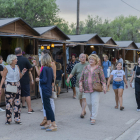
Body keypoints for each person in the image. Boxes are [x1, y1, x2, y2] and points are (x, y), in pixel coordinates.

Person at [79, 54, 106, 125]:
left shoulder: (99, 68)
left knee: (95, 103)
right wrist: (81, 86)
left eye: (92, 59)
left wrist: (104, 86)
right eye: (90, 59)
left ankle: (93, 117)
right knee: (89, 103)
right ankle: (92, 113)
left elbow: (103, 79)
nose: (91, 60)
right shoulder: (85, 68)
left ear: (96, 61)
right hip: (87, 88)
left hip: (96, 88)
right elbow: (81, 79)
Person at [0, 55, 27, 124]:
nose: (17, 60)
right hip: (9, 85)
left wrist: (23, 72)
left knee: (17, 102)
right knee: (9, 103)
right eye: (15, 59)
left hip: (17, 85)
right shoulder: (6, 68)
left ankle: (17, 119)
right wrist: (0, 87)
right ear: (11, 60)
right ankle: (8, 120)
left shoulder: (17, 67)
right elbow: (3, 77)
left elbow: (19, 77)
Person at [33, 49, 56, 126]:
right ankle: (49, 122)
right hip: (48, 88)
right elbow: (52, 78)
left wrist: (38, 79)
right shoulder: (49, 68)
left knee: (47, 107)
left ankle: (53, 123)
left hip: (45, 88)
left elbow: (44, 80)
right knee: (47, 106)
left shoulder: (46, 68)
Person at [67, 53, 88, 118]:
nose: (83, 58)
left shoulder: (88, 65)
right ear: (79, 58)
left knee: (84, 98)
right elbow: (72, 73)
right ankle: (83, 110)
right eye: (81, 57)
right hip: (78, 85)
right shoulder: (77, 65)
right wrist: (68, 78)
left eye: (84, 57)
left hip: (86, 85)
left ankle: (82, 112)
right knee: (80, 98)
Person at [15, 47, 34, 114]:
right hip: (25, 79)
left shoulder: (13, 60)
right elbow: (31, 68)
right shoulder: (25, 59)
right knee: (27, 94)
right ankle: (29, 109)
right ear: (21, 52)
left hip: (15, 79)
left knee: (16, 94)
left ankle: (16, 109)